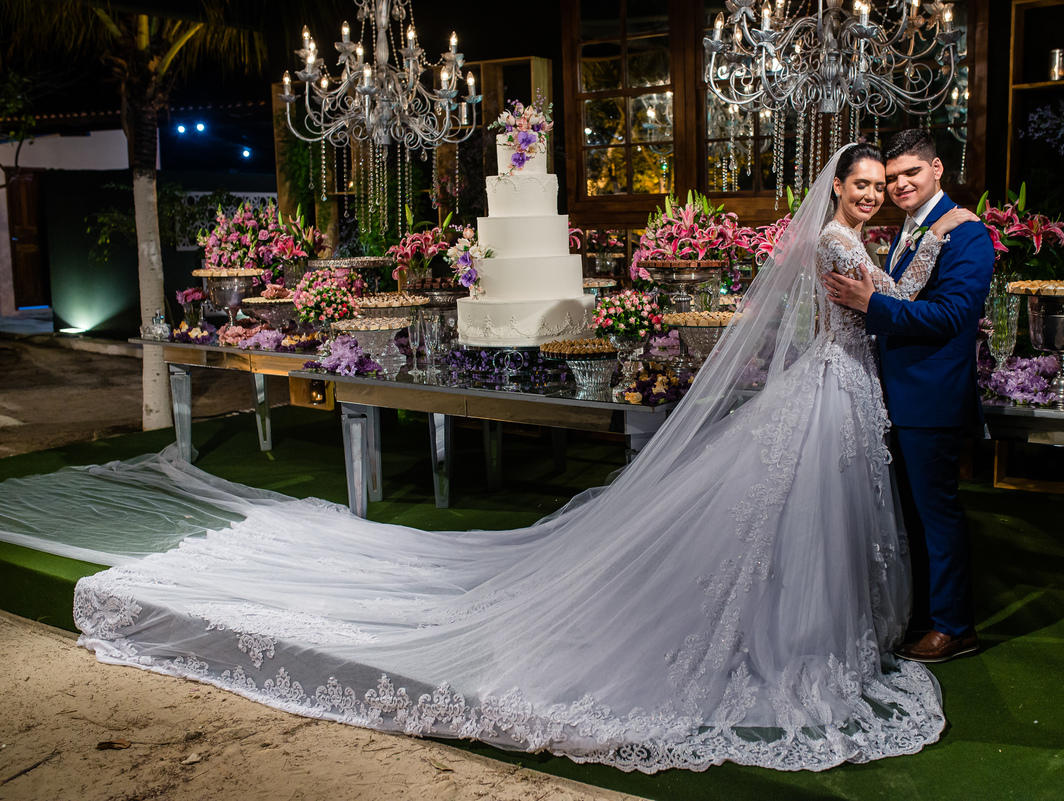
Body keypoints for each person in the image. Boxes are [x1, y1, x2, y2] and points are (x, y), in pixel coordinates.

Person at [7, 144, 972, 774]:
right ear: (838, 189)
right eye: (863, 180)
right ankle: (796, 636)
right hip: (829, 390)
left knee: (823, 515)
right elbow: (864, 311)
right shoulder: (840, 241)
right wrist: (877, 303)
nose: (873, 191)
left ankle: (828, 624)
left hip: (845, 393)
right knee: (792, 516)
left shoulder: (871, 236)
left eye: (884, 181)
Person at [823, 129, 995, 664]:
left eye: (908, 174)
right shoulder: (907, 231)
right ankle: (922, 611)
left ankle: (953, 625)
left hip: (930, 397)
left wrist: (871, 304)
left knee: (936, 513)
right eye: (889, 178)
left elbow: (949, 315)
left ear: (937, 169)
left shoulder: (966, 234)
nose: (897, 185)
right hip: (889, 393)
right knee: (910, 515)